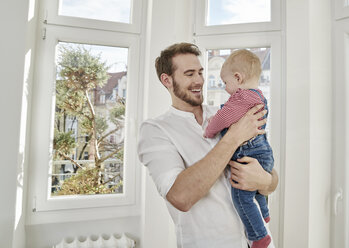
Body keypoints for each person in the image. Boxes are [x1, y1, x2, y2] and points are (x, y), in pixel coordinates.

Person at [137, 42, 278, 248]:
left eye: (201, 72)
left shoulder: (227, 112)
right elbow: (180, 197)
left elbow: (272, 178)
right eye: (189, 74)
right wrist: (233, 138)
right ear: (167, 80)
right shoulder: (155, 130)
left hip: (261, 242)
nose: (199, 81)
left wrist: (264, 181)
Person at [204, 49, 274, 248]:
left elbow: (224, 118)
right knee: (256, 194)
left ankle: (259, 236)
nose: (224, 87)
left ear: (238, 77)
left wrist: (209, 130)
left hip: (249, 152)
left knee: (241, 197)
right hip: (263, 154)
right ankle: (264, 215)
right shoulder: (257, 95)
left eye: (226, 83)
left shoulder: (242, 98)